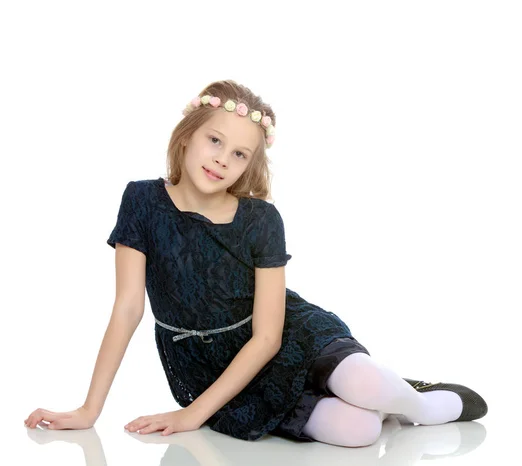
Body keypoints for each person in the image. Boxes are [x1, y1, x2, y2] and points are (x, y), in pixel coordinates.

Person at [24, 79, 487, 448]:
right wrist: (90, 410)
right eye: (215, 141)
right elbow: (127, 309)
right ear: (187, 137)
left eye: (239, 153)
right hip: (206, 364)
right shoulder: (142, 201)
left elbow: (268, 337)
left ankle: (420, 405)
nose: (223, 159)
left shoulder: (261, 219)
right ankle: (382, 400)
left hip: (284, 333)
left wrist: (193, 418)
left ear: (249, 165)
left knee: (365, 384)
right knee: (359, 433)